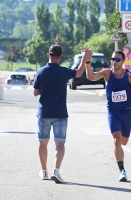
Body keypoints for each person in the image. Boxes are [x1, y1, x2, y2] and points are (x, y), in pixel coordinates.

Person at [33, 45, 92, 183]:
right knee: (60, 144)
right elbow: (78, 73)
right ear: (60, 57)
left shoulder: (40, 72)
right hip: (60, 114)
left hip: (44, 113)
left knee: (43, 143)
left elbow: (35, 93)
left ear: (48, 55)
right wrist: (84, 58)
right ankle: (56, 171)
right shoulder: (64, 72)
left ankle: (44, 171)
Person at [85, 50, 131, 182]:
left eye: (117, 59)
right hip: (113, 112)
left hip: (127, 112)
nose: (114, 61)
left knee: (124, 141)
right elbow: (91, 77)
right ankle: (122, 170)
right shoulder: (107, 73)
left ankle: (121, 154)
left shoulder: (129, 76)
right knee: (117, 140)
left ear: (123, 61)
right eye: (112, 59)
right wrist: (88, 62)